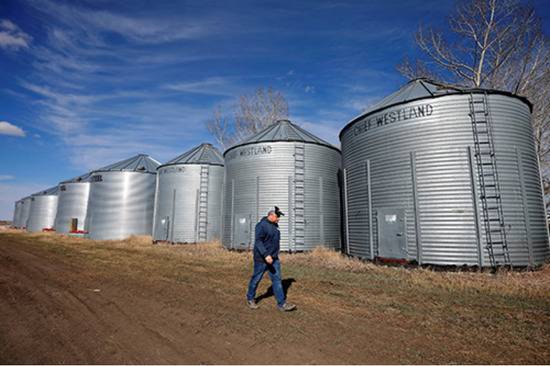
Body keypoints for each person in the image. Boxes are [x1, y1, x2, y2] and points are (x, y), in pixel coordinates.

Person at [246, 206, 296, 312]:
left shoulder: (275, 227)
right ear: (271, 215)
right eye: (277, 217)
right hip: (262, 259)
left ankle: (281, 304)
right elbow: (258, 241)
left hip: (274, 259)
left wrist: (274, 255)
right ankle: (250, 298)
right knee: (256, 279)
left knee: (277, 280)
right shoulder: (261, 225)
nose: (279, 219)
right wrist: (265, 255)